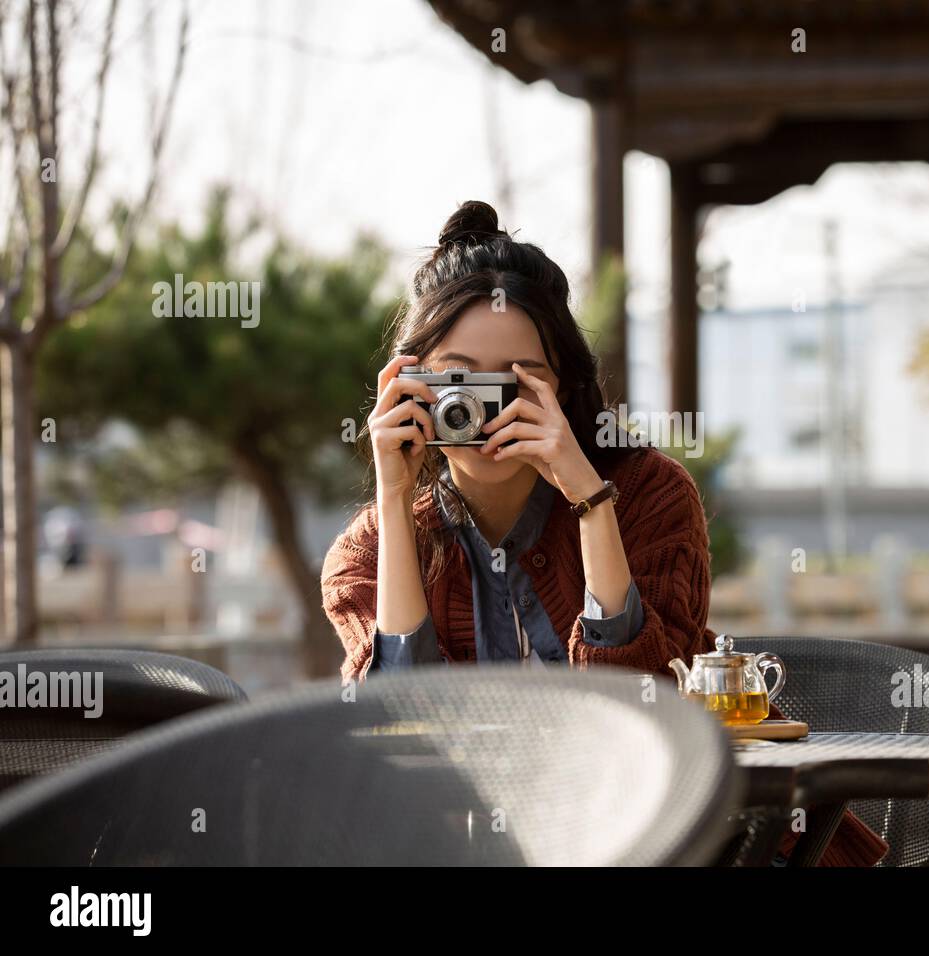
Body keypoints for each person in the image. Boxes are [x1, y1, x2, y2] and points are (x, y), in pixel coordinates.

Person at [320, 200, 887, 867]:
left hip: (700, 843)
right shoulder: (367, 553)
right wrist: (392, 492)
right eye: (458, 376)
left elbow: (643, 710)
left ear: (562, 385)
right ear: (408, 384)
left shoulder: (649, 495)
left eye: (518, 379)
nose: (485, 404)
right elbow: (395, 724)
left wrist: (589, 498)